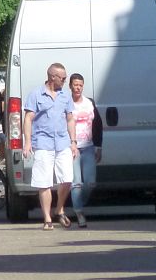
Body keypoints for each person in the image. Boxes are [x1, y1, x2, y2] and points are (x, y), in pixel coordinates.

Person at [22, 62, 78, 230]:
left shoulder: (65, 96)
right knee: (44, 182)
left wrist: (73, 142)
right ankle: (47, 218)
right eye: (63, 78)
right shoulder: (36, 95)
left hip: (62, 142)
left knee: (67, 179)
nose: (65, 81)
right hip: (43, 143)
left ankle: (59, 208)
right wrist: (27, 142)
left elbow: (70, 119)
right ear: (52, 77)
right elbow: (28, 119)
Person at [68, 73, 102, 228]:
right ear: (70, 86)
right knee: (76, 183)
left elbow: (98, 125)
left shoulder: (89, 103)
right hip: (72, 148)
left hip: (88, 146)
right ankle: (79, 212)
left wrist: (98, 146)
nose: (78, 87)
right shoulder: (66, 103)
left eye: (80, 85)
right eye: (75, 84)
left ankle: (78, 203)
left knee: (90, 183)